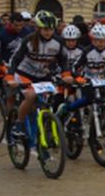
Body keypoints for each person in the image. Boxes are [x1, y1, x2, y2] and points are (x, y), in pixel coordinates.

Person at [7, 11, 71, 140]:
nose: (48, 32)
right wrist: (10, 77)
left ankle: (48, 124)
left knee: (56, 96)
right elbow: (15, 59)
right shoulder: (29, 40)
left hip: (43, 75)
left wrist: (66, 74)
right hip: (24, 73)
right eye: (45, 29)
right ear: (38, 28)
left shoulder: (58, 42)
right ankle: (18, 125)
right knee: (31, 95)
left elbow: (63, 60)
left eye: (51, 29)